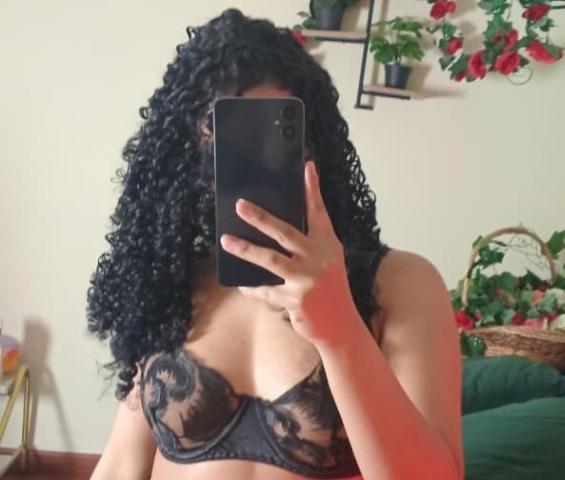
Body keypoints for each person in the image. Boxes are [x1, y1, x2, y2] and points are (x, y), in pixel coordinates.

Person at [87, 8, 463, 480]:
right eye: (223, 129)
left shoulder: (401, 284)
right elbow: (122, 462)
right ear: (184, 146)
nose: (254, 155)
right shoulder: (170, 282)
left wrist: (340, 329)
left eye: (276, 130)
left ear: (313, 141)